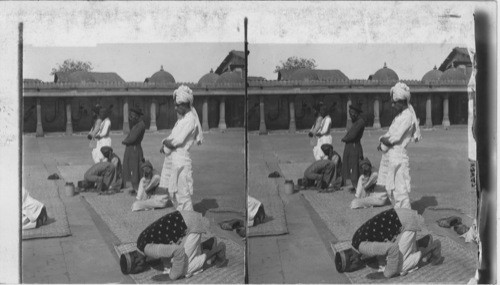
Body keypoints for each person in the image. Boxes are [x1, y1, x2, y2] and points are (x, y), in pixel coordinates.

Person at [346, 208, 443, 278]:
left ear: (352, 260)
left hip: (406, 223)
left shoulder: (362, 247)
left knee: (399, 267)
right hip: (402, 217)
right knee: (385, 259)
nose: (357, 268)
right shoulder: (355, 240)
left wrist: (385, 274)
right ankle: (421, 243)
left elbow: (393, 248)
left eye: (353, 268)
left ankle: (432, 248)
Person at [135, 210, 227, 280]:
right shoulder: (140, 242)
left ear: (138, 262)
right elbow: (163, 249)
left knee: (184, 269)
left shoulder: (147, 249)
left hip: (191, 224)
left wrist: (171, 277)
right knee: (172, 262)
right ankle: (208, 244)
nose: (141, 269)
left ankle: (216, 250)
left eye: (138, 269)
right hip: (185, 218)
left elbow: (179, 251)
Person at [377, 82, 421, 209]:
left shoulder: (407, 117)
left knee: (400, 192)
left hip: (399, 158)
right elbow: (389, 135)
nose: (392, 105)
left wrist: (381, 139)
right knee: (392, 190)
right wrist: (384, 140)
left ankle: (409, 225)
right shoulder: (399, 116)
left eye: (394, 102)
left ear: (401, 101)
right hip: (392, 157)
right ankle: (401, 220)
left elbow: (393, 139)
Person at [160, 85, 203, 211]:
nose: (175, 108)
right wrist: (166, 143)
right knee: (174, 194)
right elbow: (172, 138)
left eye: (178, 105)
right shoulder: (182, 120)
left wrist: (164, 141)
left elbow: (176, 141)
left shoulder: (190, 120)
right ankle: (183, 223)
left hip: (182, 161)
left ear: (185, 104)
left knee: (183, 195)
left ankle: (191, 226)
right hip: (174, 160)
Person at [341, 103, 366, 189]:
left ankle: (358, 187)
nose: (350, 115)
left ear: (356, 113)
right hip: (350, 146)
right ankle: (356, 186)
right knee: (350, 166)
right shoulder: (356, 122)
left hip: (354, 146)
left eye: (351, 113)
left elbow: (352, 135)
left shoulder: (360, 122)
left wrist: (344, 139)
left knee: (354, 166)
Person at [122, 107, 146, 194]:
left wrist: (125, 141)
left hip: (134, 149)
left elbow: (132, 138)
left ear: (137, 116)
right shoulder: (136, 125)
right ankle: (134, 187)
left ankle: (137, 189)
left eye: (132, 116)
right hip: (131, 148)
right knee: (130, 168)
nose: (130, 118)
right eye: (130, 116)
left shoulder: (140, 125)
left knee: (135, 168)